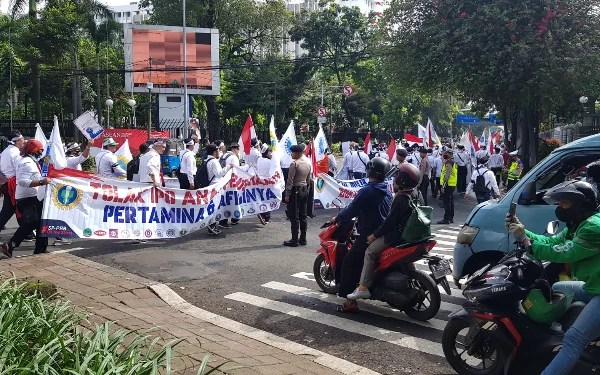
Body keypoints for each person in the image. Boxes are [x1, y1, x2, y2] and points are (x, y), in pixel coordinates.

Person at [506, 181, 600, 375]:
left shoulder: (593, 228)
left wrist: (526, 242)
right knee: (559, 286)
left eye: (564, 203)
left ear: (580, 204)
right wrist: (522, 233)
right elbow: (553, 241)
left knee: (573, 341)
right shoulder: (579, 224)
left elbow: (565, 252)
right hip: (593, 285)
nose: (560, 208)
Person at [346, 163, 421, 300]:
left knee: (370, 252)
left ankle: (363, 287)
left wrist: (375, 235)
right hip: (411, 234)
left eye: (397, 176)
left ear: (402, 179)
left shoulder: (400, 198)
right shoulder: (416, 193)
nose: (394, 178)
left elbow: (390, 222)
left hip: (395, 236)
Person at [331, 157, 393, 312]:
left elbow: (352, 209)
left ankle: (349, 302)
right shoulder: (386, 188)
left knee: (349, 262)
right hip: (385, 231)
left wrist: (337, 218)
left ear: (369, 171)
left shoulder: (367, 190)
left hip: (370, 234)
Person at [1, 140, 50, 257]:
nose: (42, 152)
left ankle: (40, 248)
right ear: (34, 150)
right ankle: (12, 243)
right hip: (27, 198)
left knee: (39, 223)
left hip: (33, 196)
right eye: (40, 149)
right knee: (32, 223)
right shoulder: (27, 162)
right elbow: (22, 181)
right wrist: (42, 182)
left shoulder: (32, 162)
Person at [284, 144, 312, 247]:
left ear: (298, 153)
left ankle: (294, 239)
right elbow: (308, 179)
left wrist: (287, 194)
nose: (291, 154)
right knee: (303, 216)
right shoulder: (307, 163)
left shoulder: (294, 164)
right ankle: (303, 239)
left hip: (295, 190)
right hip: (304, 189)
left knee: (294, 216)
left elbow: (290, 180)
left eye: (293, 152)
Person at [205, 144, 234, 234]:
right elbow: (219, 174)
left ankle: (211, 226)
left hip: (210, 186)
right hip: (215, 187)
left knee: (212, 207)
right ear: (214, 152)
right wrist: (229, 166)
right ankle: (212, 226)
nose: (219, 153)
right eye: (218, 151)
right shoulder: (214, 161)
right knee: (214, 207)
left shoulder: (206, 160)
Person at [0, 131, 24, 236]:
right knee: (13, 210)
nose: (23, 141)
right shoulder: (15, 153)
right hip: (13, 184)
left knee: (12, 210)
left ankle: (27, 232)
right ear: (17, 141)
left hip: (8, 182)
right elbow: (20, 169)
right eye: (22, 139)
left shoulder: (5, 151)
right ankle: (26, 232)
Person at [438, 150, 457, 224]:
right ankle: (450, 218)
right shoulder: (452, 162)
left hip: (448, 185)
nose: (444, 154)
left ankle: (446, 219)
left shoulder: (449, 163)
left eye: (446, 153)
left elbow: (447, 175)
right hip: (451, 184)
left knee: (447, 203)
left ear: (450, 154)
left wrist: (443, 186)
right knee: (450, 202)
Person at [256, 144, 274, 225]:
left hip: (260, 182)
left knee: (261, 199)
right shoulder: (269, 162)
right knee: (268, 199)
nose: (271, 153)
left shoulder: (259, 159)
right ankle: (266, 217)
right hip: (267, 183)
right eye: (270, 152)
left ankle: (262, 214)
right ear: (267, 153)